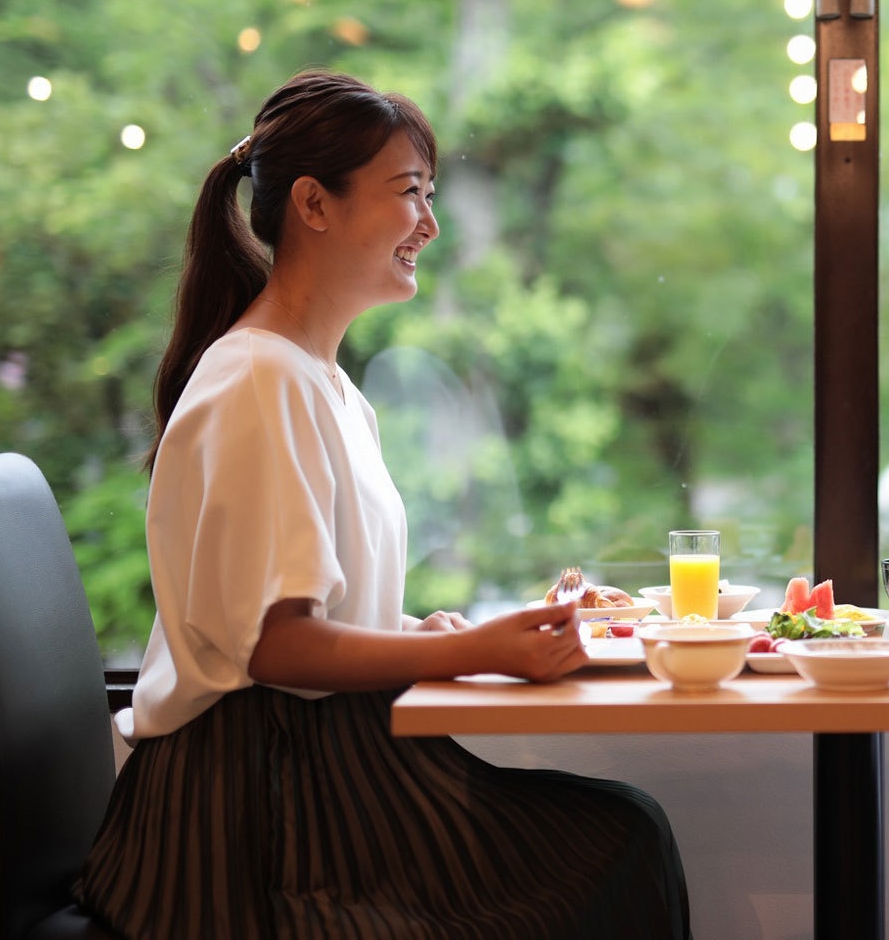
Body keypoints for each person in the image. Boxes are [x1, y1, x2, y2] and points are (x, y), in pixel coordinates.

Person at [74, 70, 692, 939]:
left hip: (318, 767)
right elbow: (276, 643)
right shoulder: (259, 378)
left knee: (621, 833)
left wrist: (411, 630)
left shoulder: (318, 381)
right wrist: (477, 649)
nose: (430, 225)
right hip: (252, 816)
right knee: (615, 845)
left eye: (432, 197)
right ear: (314, 205)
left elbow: (297, 609)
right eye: (410, 195)